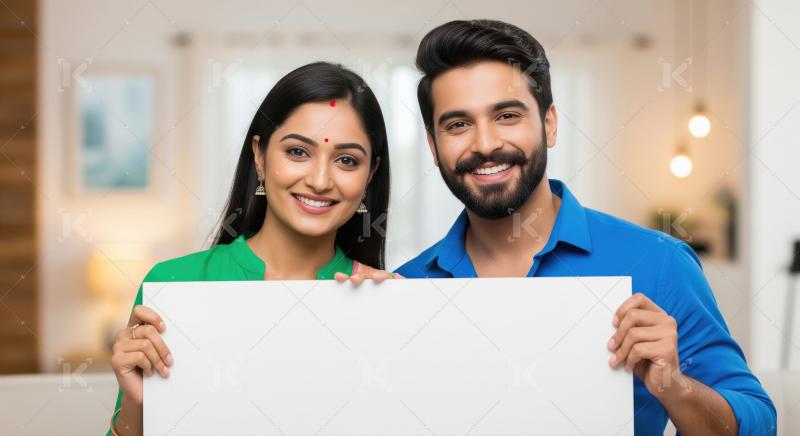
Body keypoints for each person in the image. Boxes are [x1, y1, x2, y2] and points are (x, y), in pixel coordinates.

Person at [392, 19, 776, 435]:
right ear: (433, 146)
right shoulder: (407, 289)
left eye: (506, 115)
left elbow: (759, 425)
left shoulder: (661, 263)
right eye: (458, 124)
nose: (485, 144)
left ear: (550, 124)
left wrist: (674, 386)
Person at [107, 61, 394, 436]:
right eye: (298, 152)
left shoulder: (384, 299)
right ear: (260, 155)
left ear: (369, 175)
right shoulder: (174, 284)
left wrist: (392, 326)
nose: (320, 180)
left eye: (346, 160)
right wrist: (137, 402)